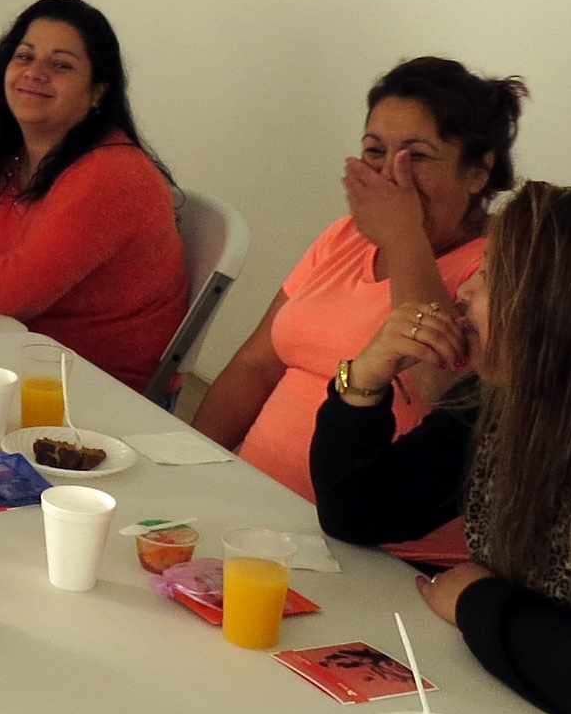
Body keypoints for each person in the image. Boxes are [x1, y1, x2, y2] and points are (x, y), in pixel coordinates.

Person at [311, 182, 571, 714]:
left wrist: (478, 601)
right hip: (546, 712)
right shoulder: (507, 399)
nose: (465, 291)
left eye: (492, 274)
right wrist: (365, 379)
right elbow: (362, 512)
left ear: (559, 308)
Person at [193, 58, 528, 505]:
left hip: (374, 539)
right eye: (375, 151)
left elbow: (439, 391)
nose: (392, 173)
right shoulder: (345, 236)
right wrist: (188, 461)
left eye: (418, 155)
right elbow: (257, 364)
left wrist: (403, 233)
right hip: (255, 502)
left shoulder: (497, 269)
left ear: (477, 173)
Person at [0, 0, 185, 392]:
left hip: (92, 388)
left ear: (96, 93)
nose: (36, 73)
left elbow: (15, 294)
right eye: (24, 57)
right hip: (1, 347)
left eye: (61, 65)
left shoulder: (111, 173)